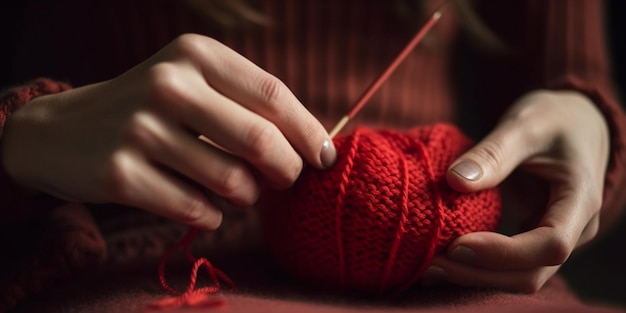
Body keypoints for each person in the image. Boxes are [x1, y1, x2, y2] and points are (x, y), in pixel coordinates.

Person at [0, 0, 625, 312]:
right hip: (169, 252)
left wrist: (587, 122)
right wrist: (20, 135)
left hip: (454, 269)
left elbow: (575, 86)